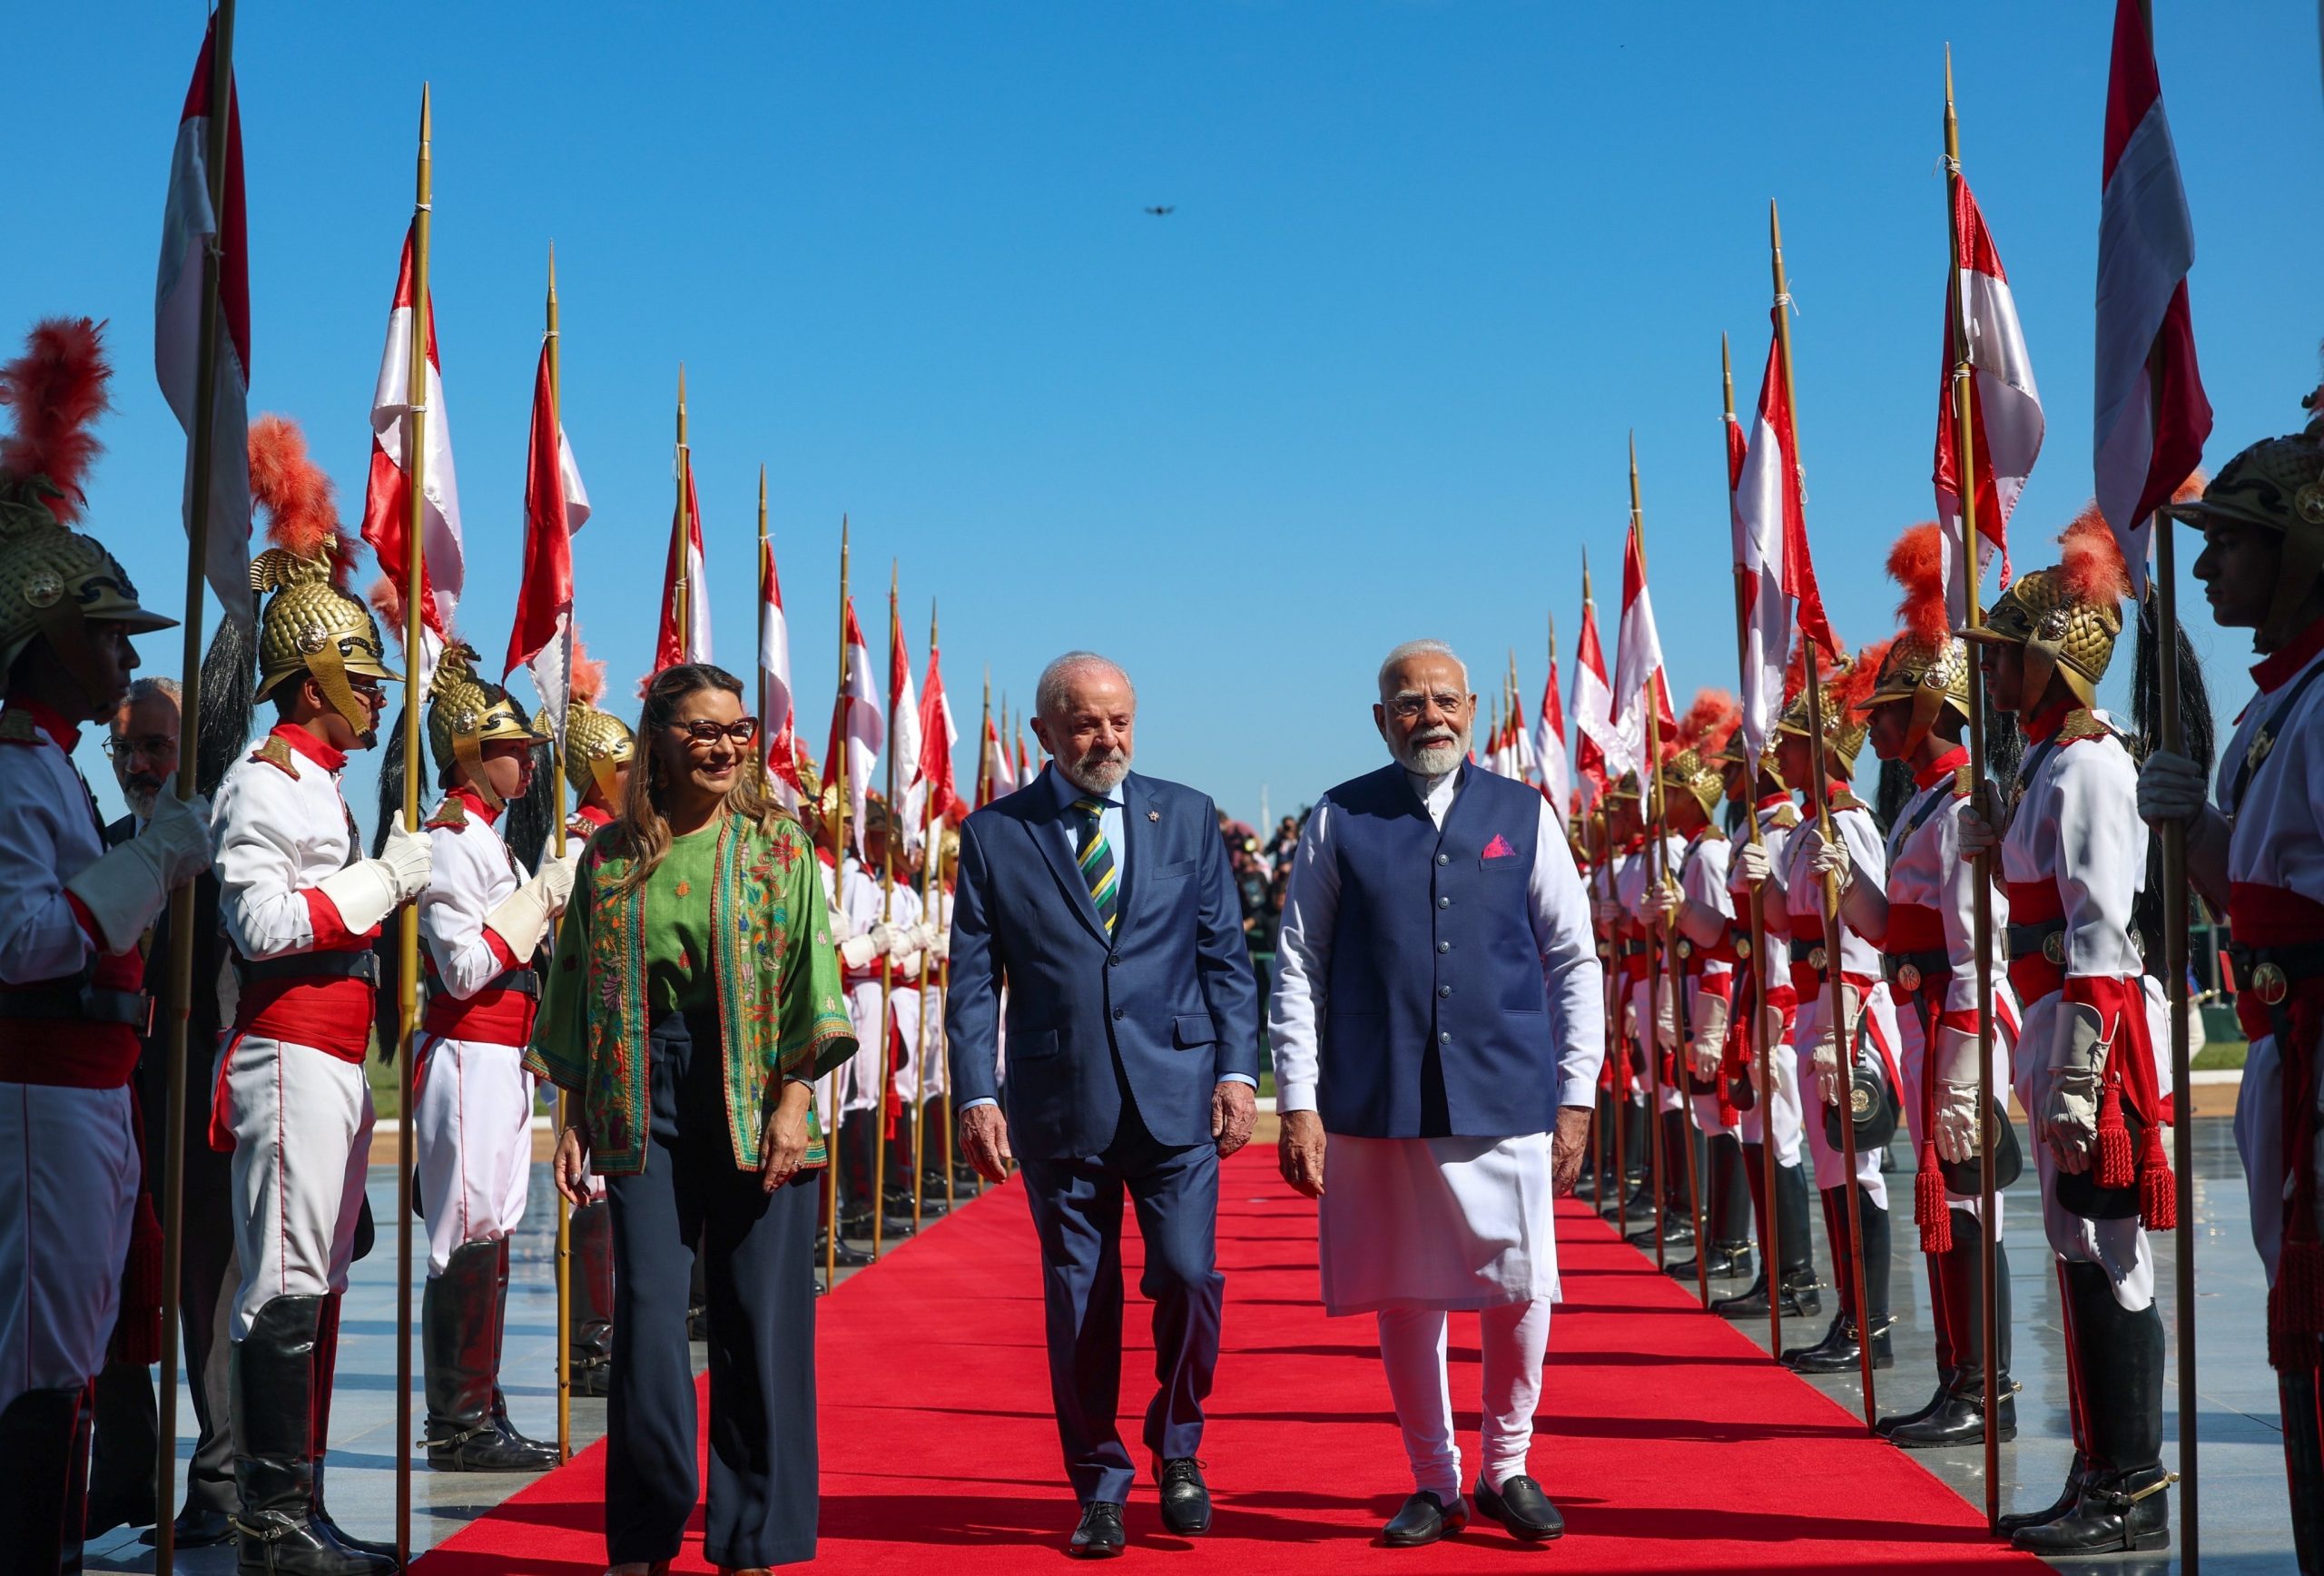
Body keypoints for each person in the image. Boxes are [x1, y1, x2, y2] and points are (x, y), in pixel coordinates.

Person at [1270, 639, 1601, 1548]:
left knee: (1518, 1281)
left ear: (1474, 712)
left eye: (1446, 699)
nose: (1432, 717)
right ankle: (1433, 1478)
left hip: (1505, 1086)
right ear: (1381, 719)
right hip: (1378, 1095)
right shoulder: (1339, 817)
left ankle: (1508, 1464)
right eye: (1410, 703)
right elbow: (1297, 962)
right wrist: (1297, 1098)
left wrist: (1577, 1093)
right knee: (1405, 1289)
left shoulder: (1523, 813)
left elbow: (1574, 958)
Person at [531, 662, 854, 1576]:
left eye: (737, 728)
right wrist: (576, 1110)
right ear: (660, 742)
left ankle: (754, 1534)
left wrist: (797, 1098)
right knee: (645, 1314)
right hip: (644, 1092)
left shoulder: (781, 848)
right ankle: (643, 1532)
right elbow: (574, 992)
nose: (725, 745)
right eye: (703, 730)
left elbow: (813, 981)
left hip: (761, 1091)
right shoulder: (608, 853)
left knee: (759, 1320)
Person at [946, 651, 1259, 1559]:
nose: (1106, 737)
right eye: (1084, 722)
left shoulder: (1187, 815)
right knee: (1080, 1299)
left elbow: (1224, 959)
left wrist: (1238, 1070)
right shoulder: (997, 834)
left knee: (1189, 1275)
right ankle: (1099, 1482)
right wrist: (976, 1091)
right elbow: (973, 981)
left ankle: (1180, 1442)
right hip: (1059, 1097)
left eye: (1119, 719)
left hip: (1178, 1094)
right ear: (1042, 732)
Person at [0, 319, 203, 1572]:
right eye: (107, 634)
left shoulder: (52, 768)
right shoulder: (16, 771)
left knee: (71, 1356)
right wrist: (147, 861)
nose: (126, 658)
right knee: (36, 1360)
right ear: (40, 636)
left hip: (86, 1091)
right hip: (38, 1088)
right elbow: (20, 941)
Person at [213, 414, 420, 1576]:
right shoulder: (268, 779)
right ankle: (270, 1517)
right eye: (363, 672)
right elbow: (264, 924)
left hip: (335, 1054)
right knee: (285, 1284)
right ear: (312, 678)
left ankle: (301, 1507)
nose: (378, 691)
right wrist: (383, 878)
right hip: (288, 1048)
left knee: (322, 1277)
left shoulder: (324, 788)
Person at [1959, 511, 2175, 1555]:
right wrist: (1994, 847)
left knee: (2109, 1248)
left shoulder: (2087, 763)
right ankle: (2096, 1467)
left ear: (2054, 661)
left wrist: (2082, 1074)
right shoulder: (2045, 763)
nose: (1991, 668)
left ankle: (2132, 1488)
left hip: (2091, 1019)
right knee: (2074, 1244)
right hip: (2053, 1011)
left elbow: (2097, 924)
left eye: (2005, 652)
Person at [2140, 428, 2324, 1570]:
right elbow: (2255, 894)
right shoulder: (2276, 705)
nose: (2205, 571)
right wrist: (2196, 830)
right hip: (2283, 1050)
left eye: (2233, 547)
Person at [1824, 525, 2018, 1451]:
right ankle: (1956, 1375)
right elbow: (1883, 925)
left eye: (1885, 713)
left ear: (1929, 710)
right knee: (1944, 1195)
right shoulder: (1919, 808)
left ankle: (1986, 1383)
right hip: (1921, 1011)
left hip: (1957, 1017)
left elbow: (1975, 941)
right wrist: (1840, 882)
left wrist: (1968, 1052)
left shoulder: (1960, 802)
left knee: (1970, 1199)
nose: (1871, 729)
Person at [411, 644, 570, 1472]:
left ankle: (481, 1402)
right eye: (514, 748)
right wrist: (540, 898)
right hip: (467, 1054)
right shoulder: (449, 840)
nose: (528, 761)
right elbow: (464, 966)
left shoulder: (494, 843)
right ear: (471, 752)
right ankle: (457, 1420)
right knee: (466, 1232)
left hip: (504, 1058)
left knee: (497, 1229)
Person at [1736, 645, 1905, 1377]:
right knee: (1834, 1172)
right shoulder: (1807, 829)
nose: (1782, 754)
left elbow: (1862, 942)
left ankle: (1873, 1323)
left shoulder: (1849, 825)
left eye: (1796, 744)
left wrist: (1843, 1028)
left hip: (1846, 1012)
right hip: (1812, 1012)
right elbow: (1788, 923)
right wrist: (1759, 888)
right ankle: (1848, 1315)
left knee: (1856, 1170)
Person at [1708, 717, 1821, 1322]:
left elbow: (1779, 935)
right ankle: (1773, 1272)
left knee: (1778, 1139)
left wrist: (1775, 1005)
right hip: (1757, 996)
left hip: (1776, 1002)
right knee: (1757, 1137)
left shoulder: (1778, 829)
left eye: (1734, 766)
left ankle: (1796, 1278)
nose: (1724, 775)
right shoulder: (1758, 828)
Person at [1650, 696, 1756, 1285]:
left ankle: (1731, 1242)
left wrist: (1711, 1028)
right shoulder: (1697, 851)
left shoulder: (1710, 854)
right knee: (1710, 1119)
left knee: (1722, 1119)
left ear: (1694, 798)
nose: (1658, 805)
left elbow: (1722, 946)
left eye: (1671, 792)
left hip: (1714, 997)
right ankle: (1719, 1234)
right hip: (1691, 993)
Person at [558, 652, 634, 1394]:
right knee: (592, 1186)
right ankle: (590, 1343)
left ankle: (608, 1331)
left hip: (620, 1029)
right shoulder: (584, 839)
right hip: (583, 1024)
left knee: (612, 1188)